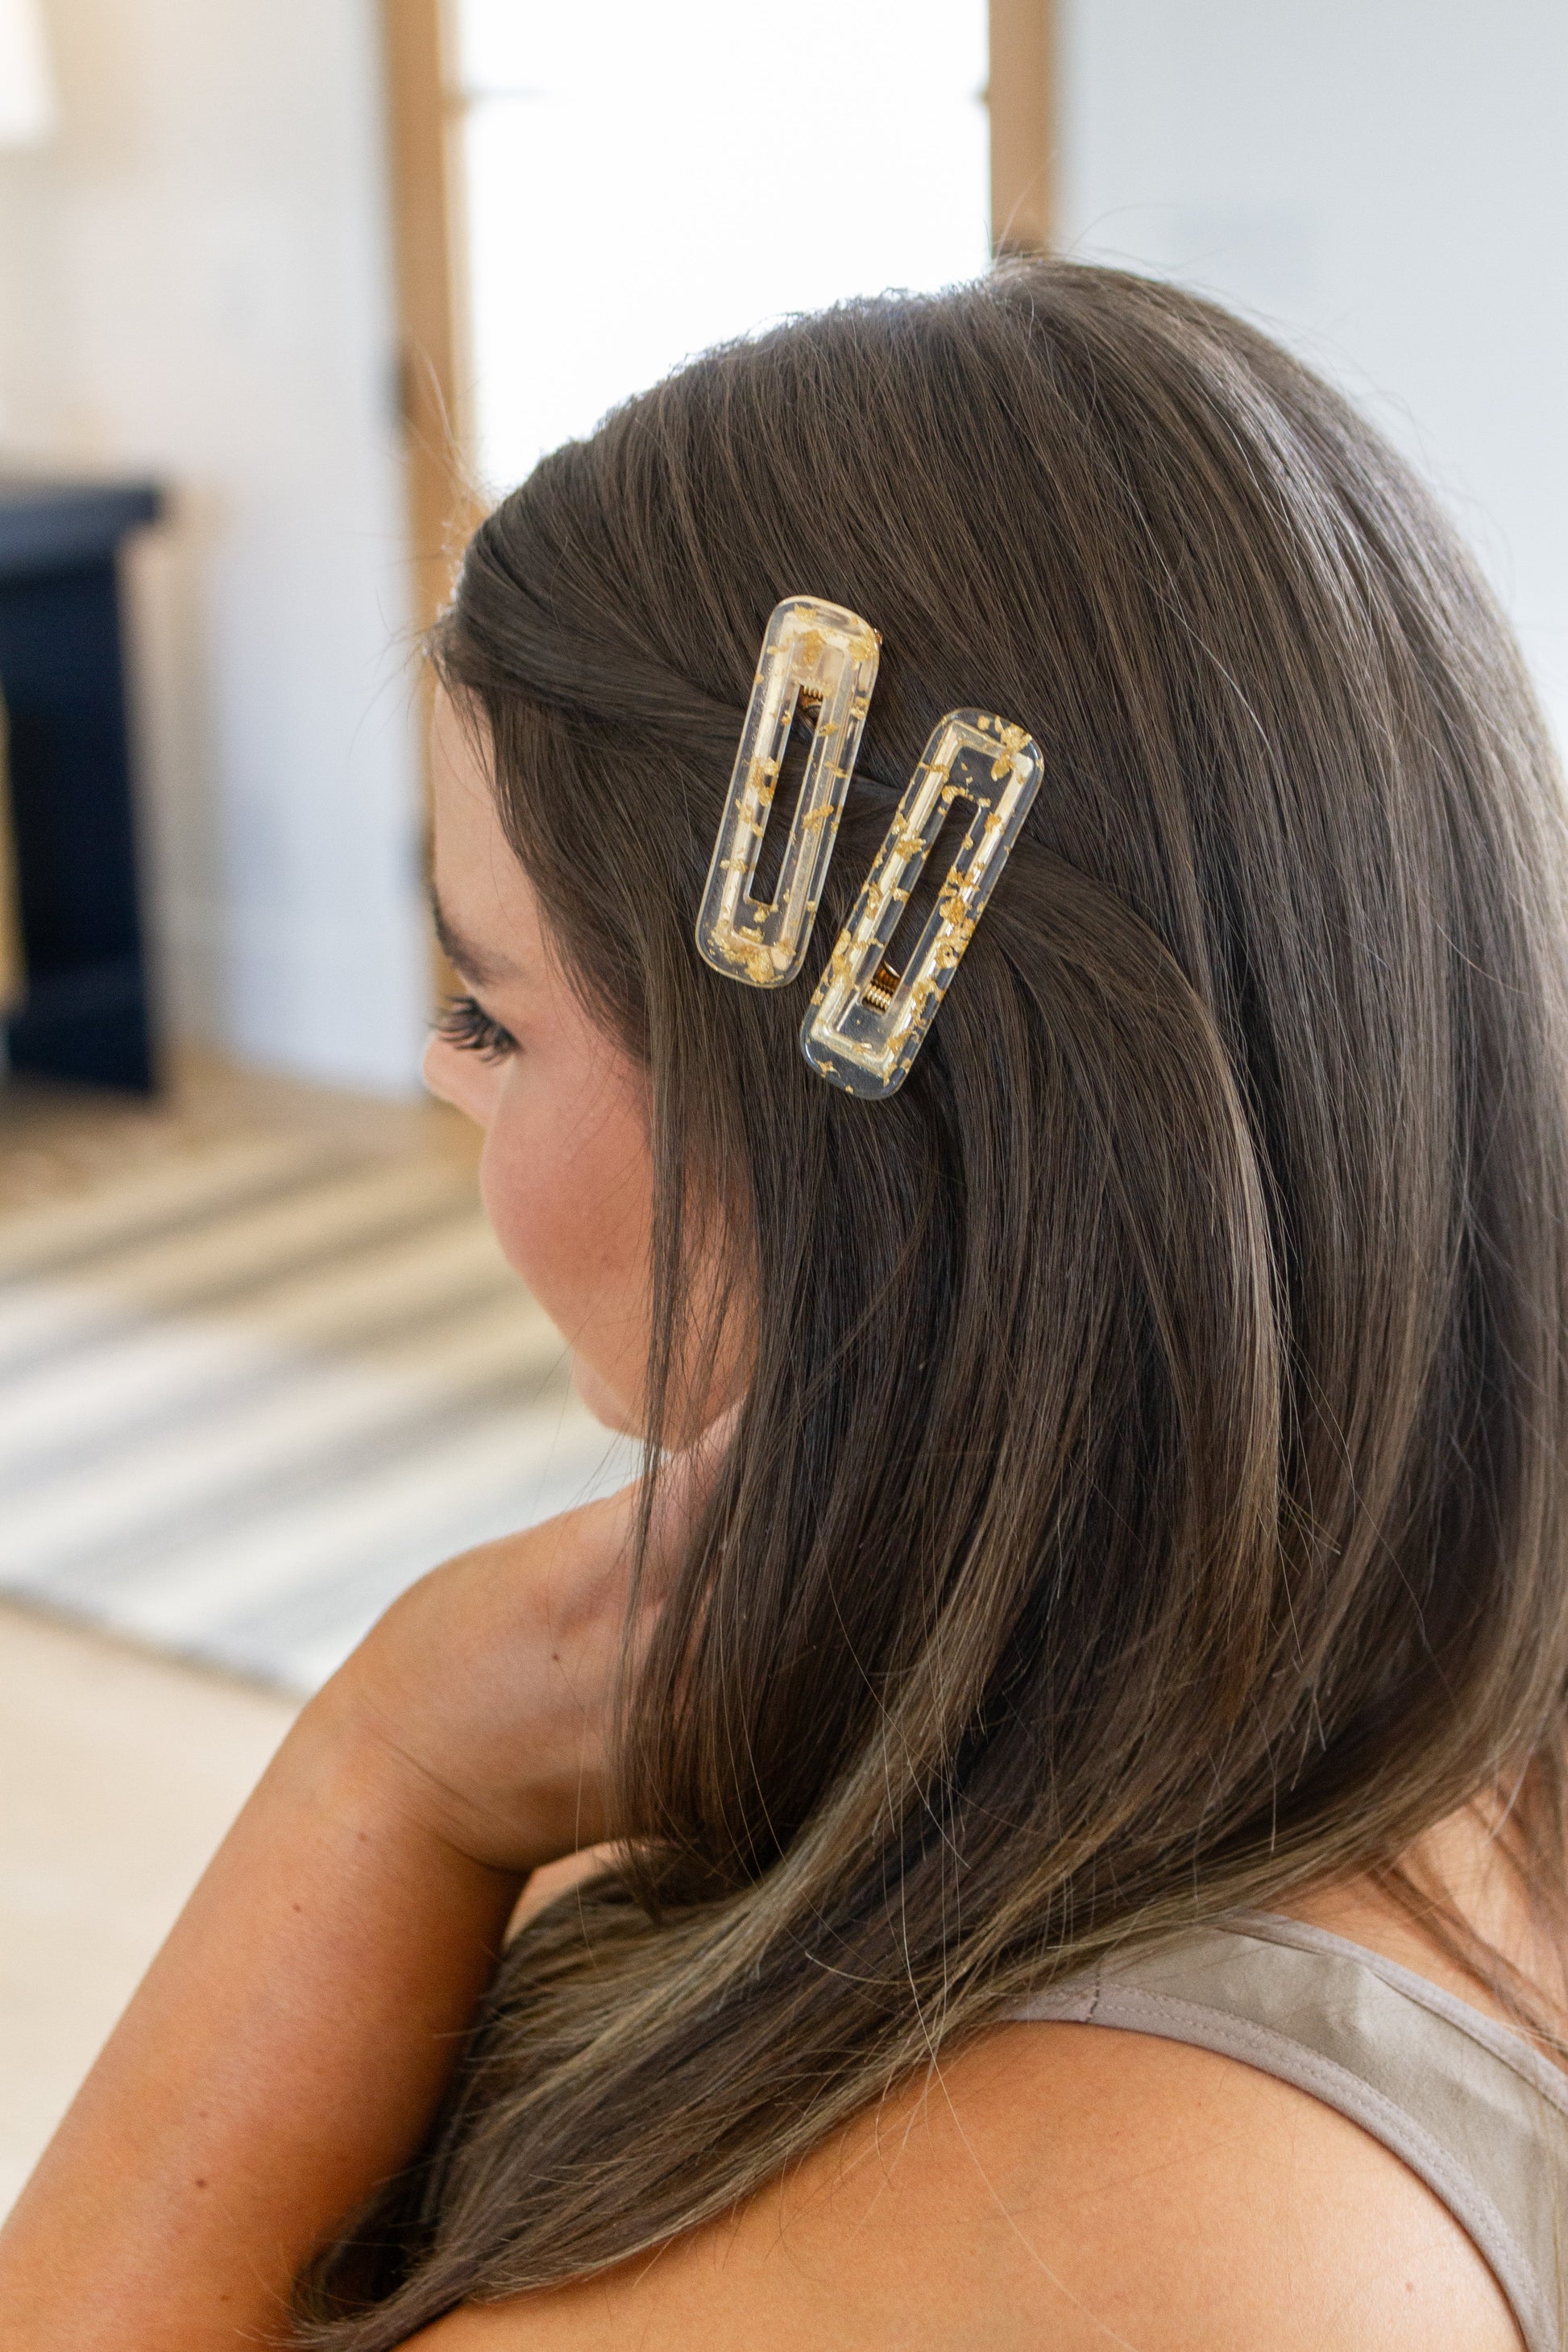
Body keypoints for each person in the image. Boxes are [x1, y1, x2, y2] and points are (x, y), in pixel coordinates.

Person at [3, 260, 1567, 2350]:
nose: (440, 1079)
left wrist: (382, 1772)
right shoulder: (1359, 1725)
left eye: (492, 1013)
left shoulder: (1104, 2241)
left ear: (828, 1095)